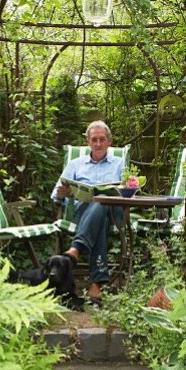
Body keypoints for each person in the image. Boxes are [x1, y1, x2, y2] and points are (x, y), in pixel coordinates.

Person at [52, 121, 125, 305]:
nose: (98, 144)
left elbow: (129, 191)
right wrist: (62, 193)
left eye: (102, 139)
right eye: (94, 140)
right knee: (98, 208)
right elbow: (56, 195)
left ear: (109, 141)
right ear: (88, 142)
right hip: (82, 213)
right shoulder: (75, 164)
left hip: (113, 215)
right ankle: (95, 284)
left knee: (101, 202)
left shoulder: (120, 164)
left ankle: (76, 249)